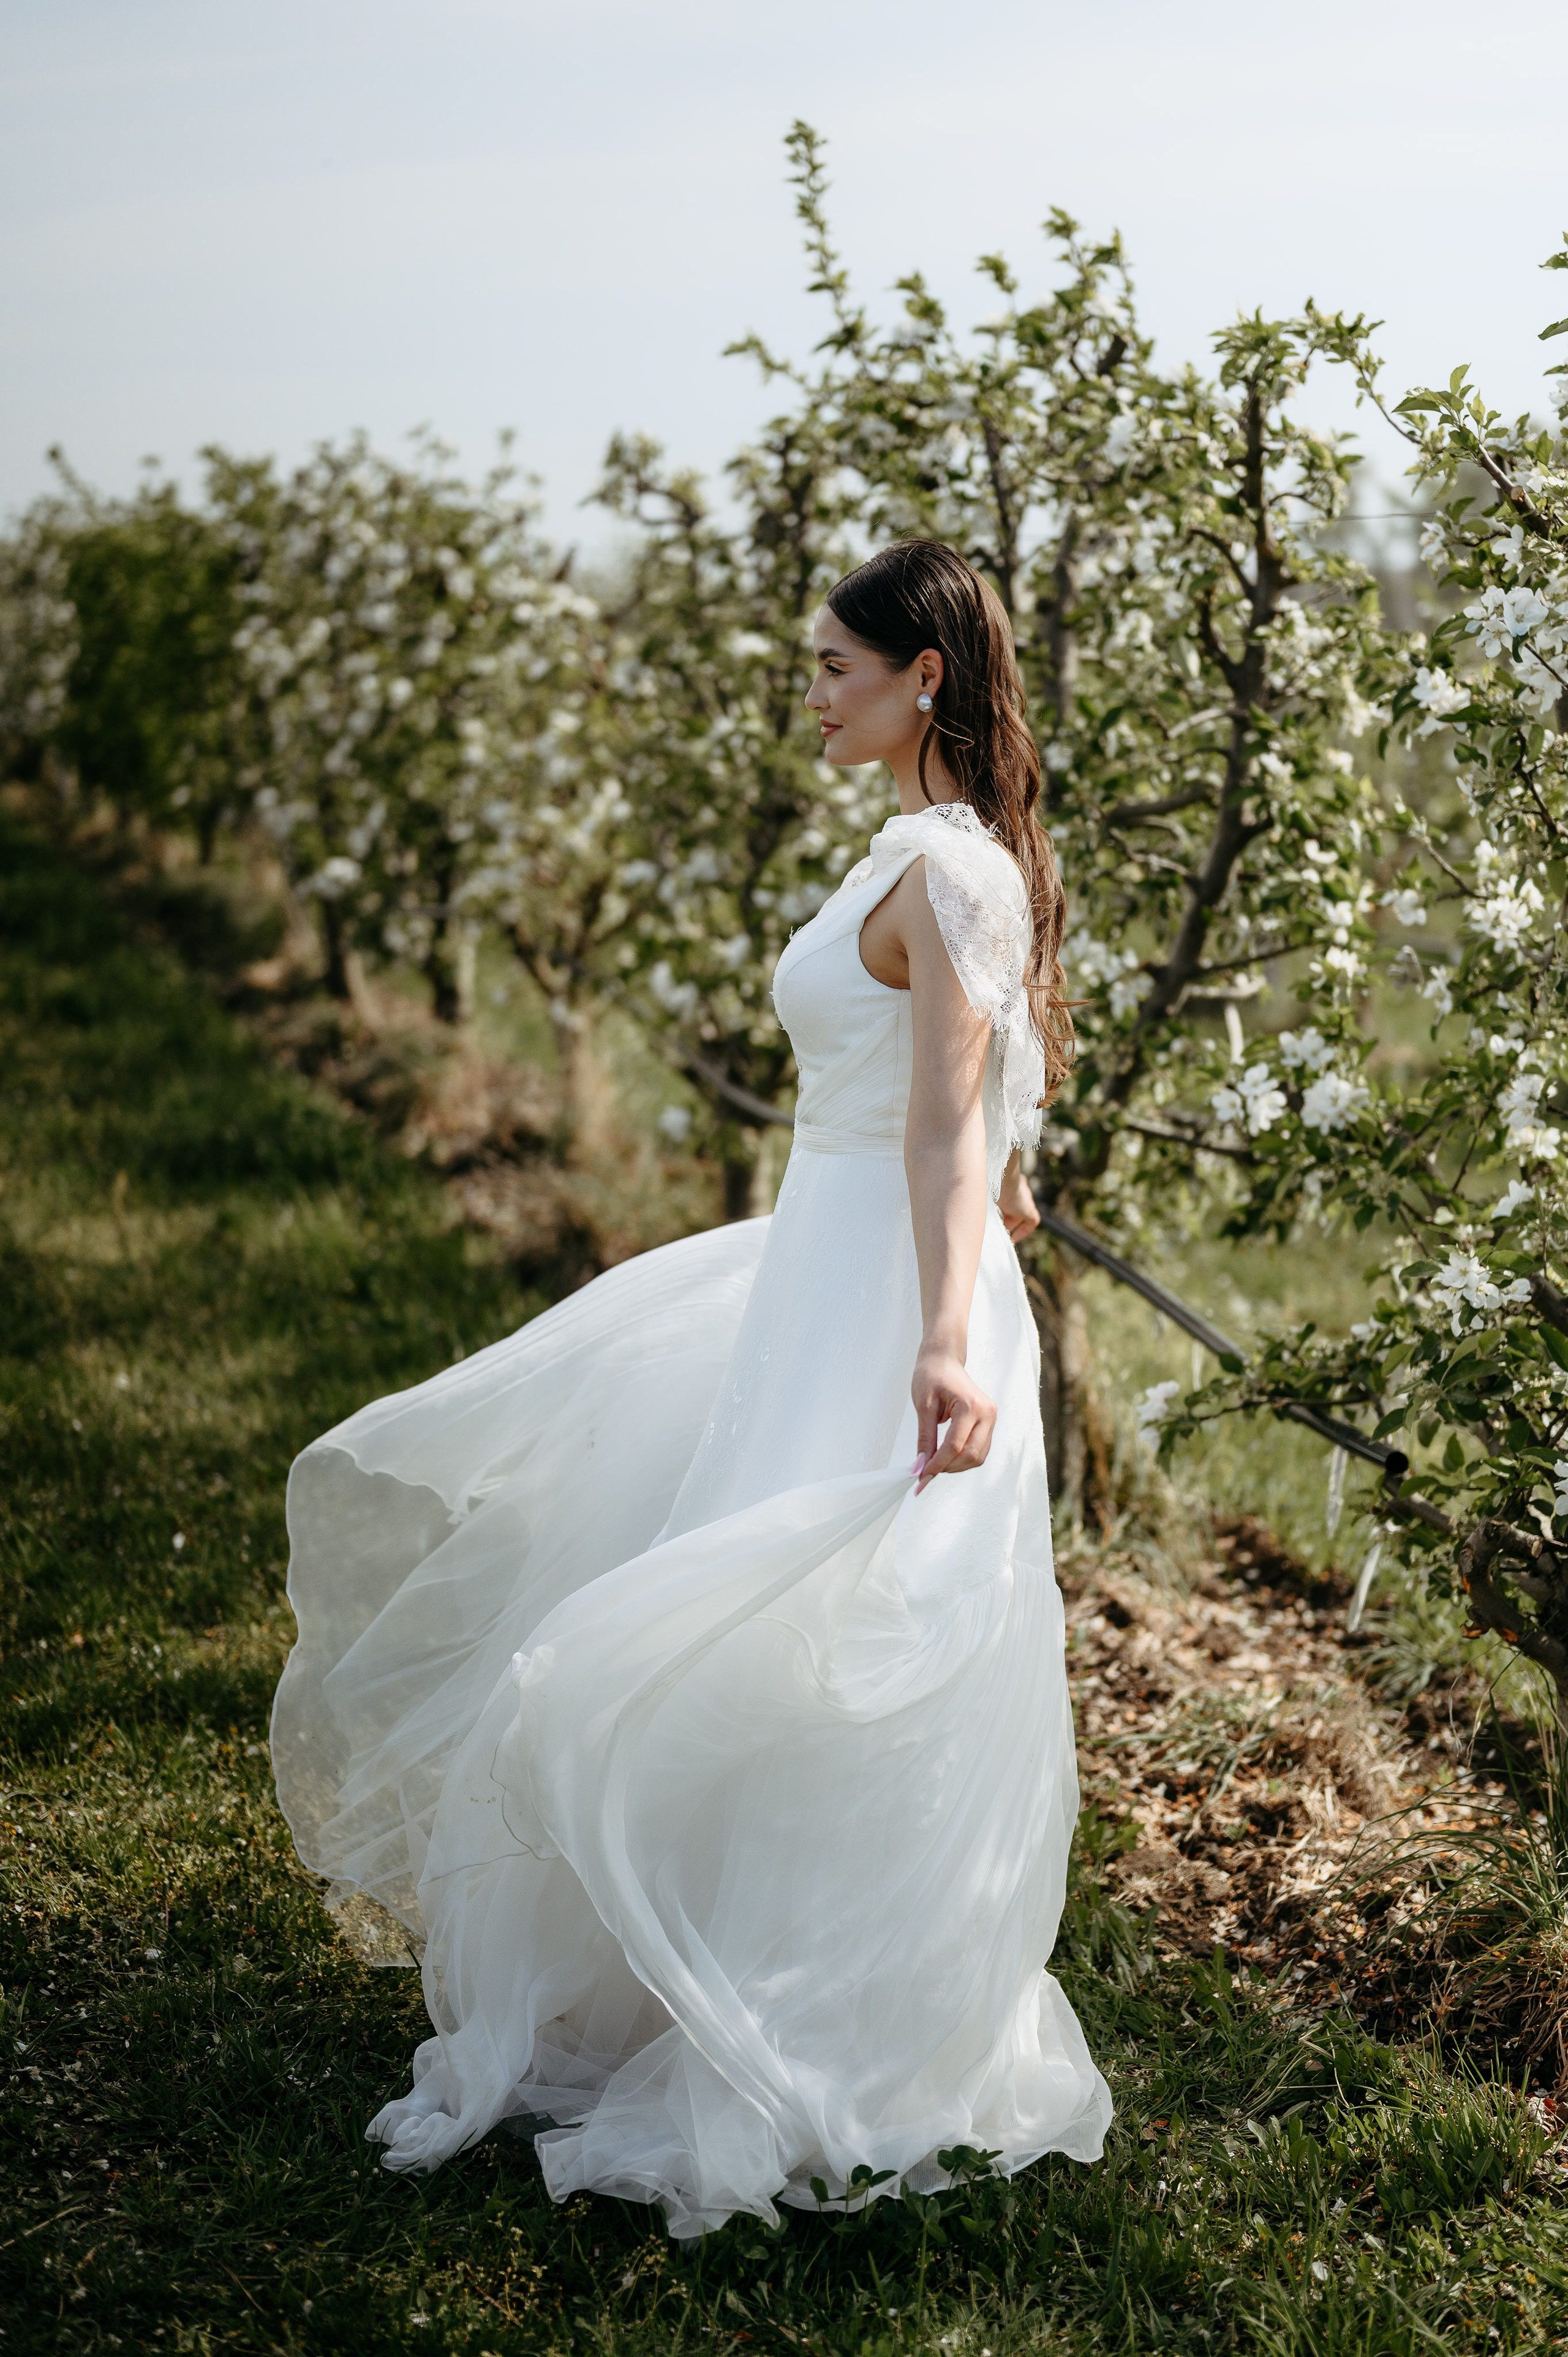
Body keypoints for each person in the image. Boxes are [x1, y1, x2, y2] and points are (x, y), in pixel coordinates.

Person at [271, 538, 1112, 2239]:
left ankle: (806, 2022)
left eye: (832, 668)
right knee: (741, 1616)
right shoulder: (924, 856)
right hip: (819, 1270)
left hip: (889, 1300)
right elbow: (962, 1104)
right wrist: (999, 1169)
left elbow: (950, 1128)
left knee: (823, 1642)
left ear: (921, 678)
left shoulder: (956, 875)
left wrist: (949, 1339)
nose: (810, 691)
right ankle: (693, 1970)